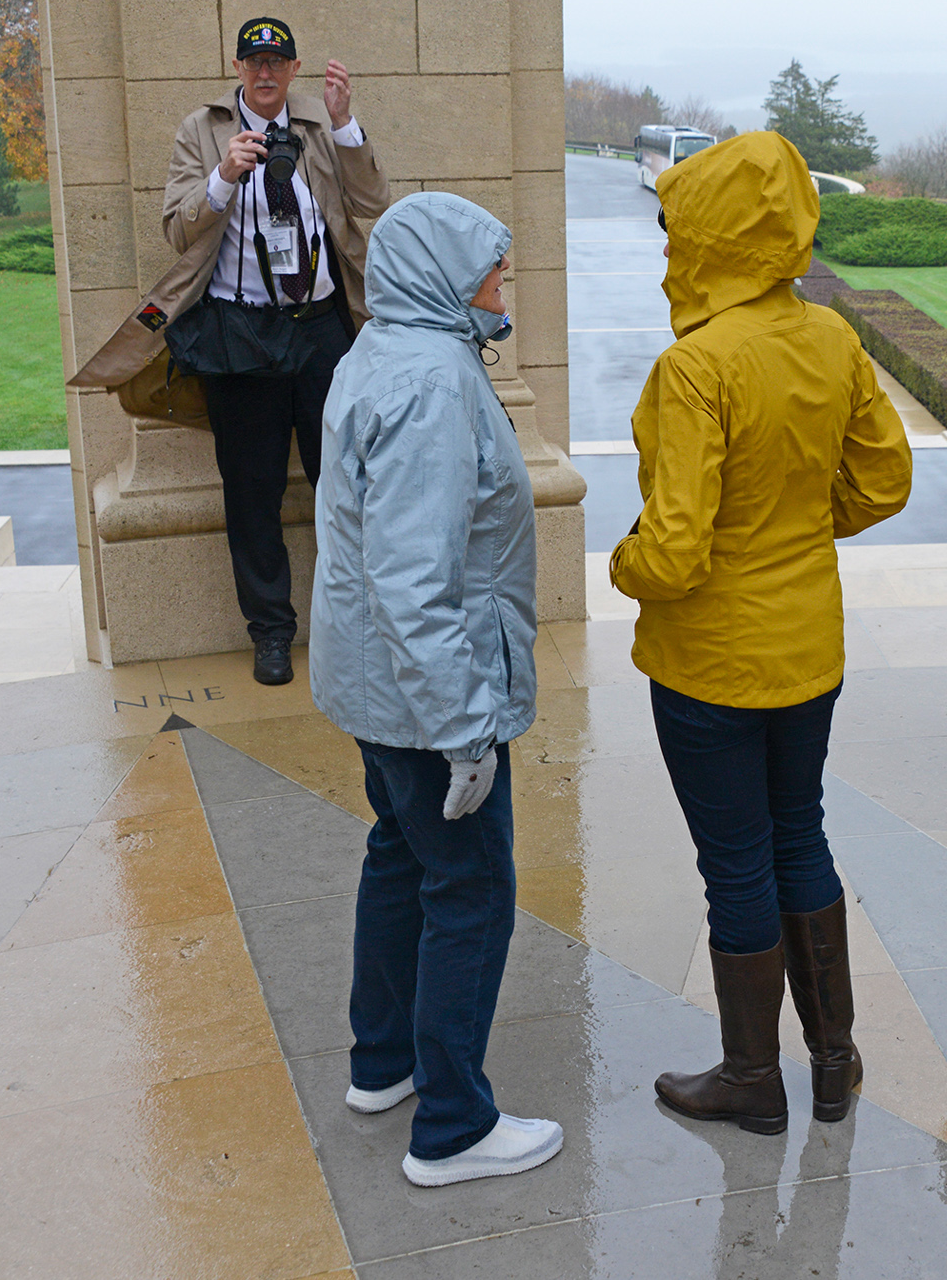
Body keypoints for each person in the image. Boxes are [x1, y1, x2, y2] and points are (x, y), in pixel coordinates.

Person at [611, 132, 912, 1134]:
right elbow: (882, 480)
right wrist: (786, 531)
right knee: (800, 834)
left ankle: (751, 1076)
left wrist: (623, 565)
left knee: (735, 860)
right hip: (807, 649)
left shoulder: (695, 365)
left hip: (710, 665)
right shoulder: (831, 338)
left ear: (707, 233)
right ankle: (832, 1060)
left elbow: (675, 548)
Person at [309, 192, 560, 1188]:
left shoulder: (389, 350)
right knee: (471, 889)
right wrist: (466, 729)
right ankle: (452, 1124)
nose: (504, 287)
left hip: (379, 686)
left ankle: (385, 1064)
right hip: (424, 695)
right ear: (449, 278)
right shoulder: (431, 383)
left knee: (401, 855)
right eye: (493, 270)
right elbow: (415, 579)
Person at [163, 16, 390, 685]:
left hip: (323, 332)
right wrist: (222, 177)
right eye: (253, 61)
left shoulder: (320, 126)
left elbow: (375, 199)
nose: (265, 73)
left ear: (294, 71)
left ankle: (356, 627)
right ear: (237, 67)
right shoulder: (200, 131)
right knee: (252, 492)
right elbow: (177, 230)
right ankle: (270, 632)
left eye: (278, 62)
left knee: (344, 484)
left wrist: (347, 125)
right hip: (241, 334)